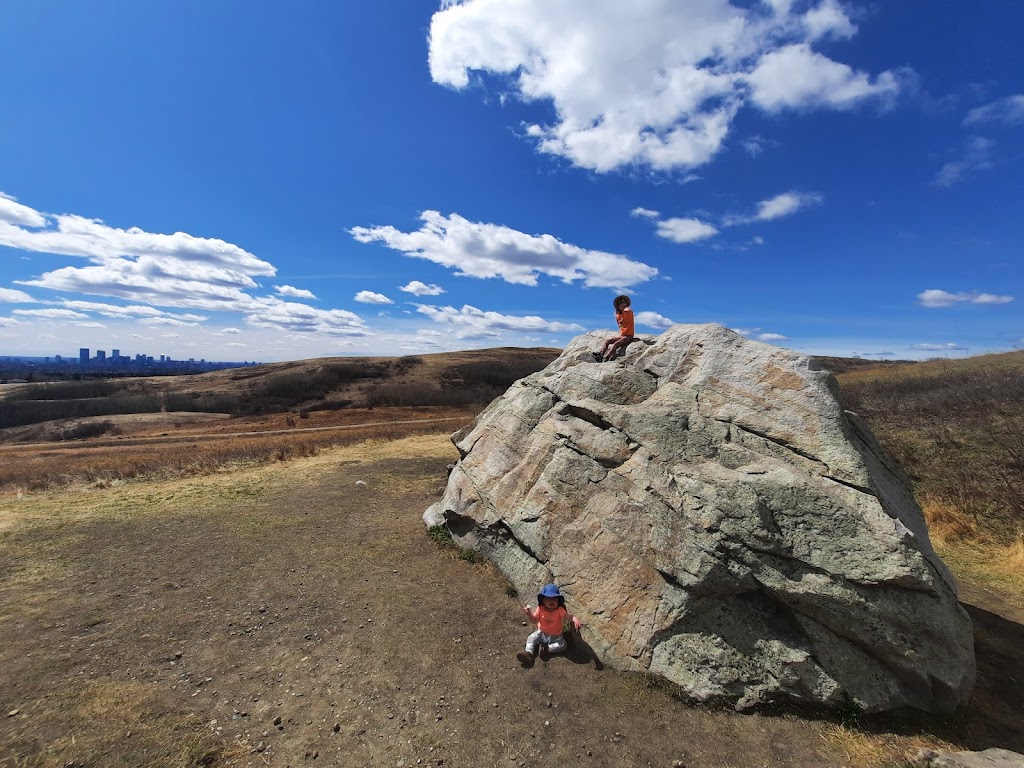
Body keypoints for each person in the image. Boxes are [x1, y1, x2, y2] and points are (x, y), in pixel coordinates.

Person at [517, 583, 581, 666]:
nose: (552, 601)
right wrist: (529, 614)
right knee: (531, 638)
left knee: (563, 644)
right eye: (548, 598)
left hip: (556, 636)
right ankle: (528, 653)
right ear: (543, 600)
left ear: (558, 600)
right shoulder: (540, 609)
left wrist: (574, 619)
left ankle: (546, 649)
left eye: (554, 598)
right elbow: (534, 620)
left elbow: (568, 616)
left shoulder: (559, 610)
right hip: (541, 633)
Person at [594, 294, 635, 362]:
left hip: (628, 336)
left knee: (615, 345)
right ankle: (601, 354)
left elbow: (628, 317)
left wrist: (626, 311)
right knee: (608, 341)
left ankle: (606, 358)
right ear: (618, 306)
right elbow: (619, 323)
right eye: (621, 303)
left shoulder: (629, 312)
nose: (623, 304)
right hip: (622, 336)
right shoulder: (618, 314)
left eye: (624, 303)